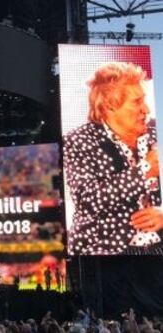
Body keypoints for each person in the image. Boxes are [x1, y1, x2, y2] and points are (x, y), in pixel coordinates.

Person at [64, 62, 163, 255]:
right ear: (110, 106)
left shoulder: (156, 131)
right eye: (137, 102)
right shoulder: (78, 141)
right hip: (106, 253)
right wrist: (144, 171)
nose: (147, 109)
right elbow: (88, 199)